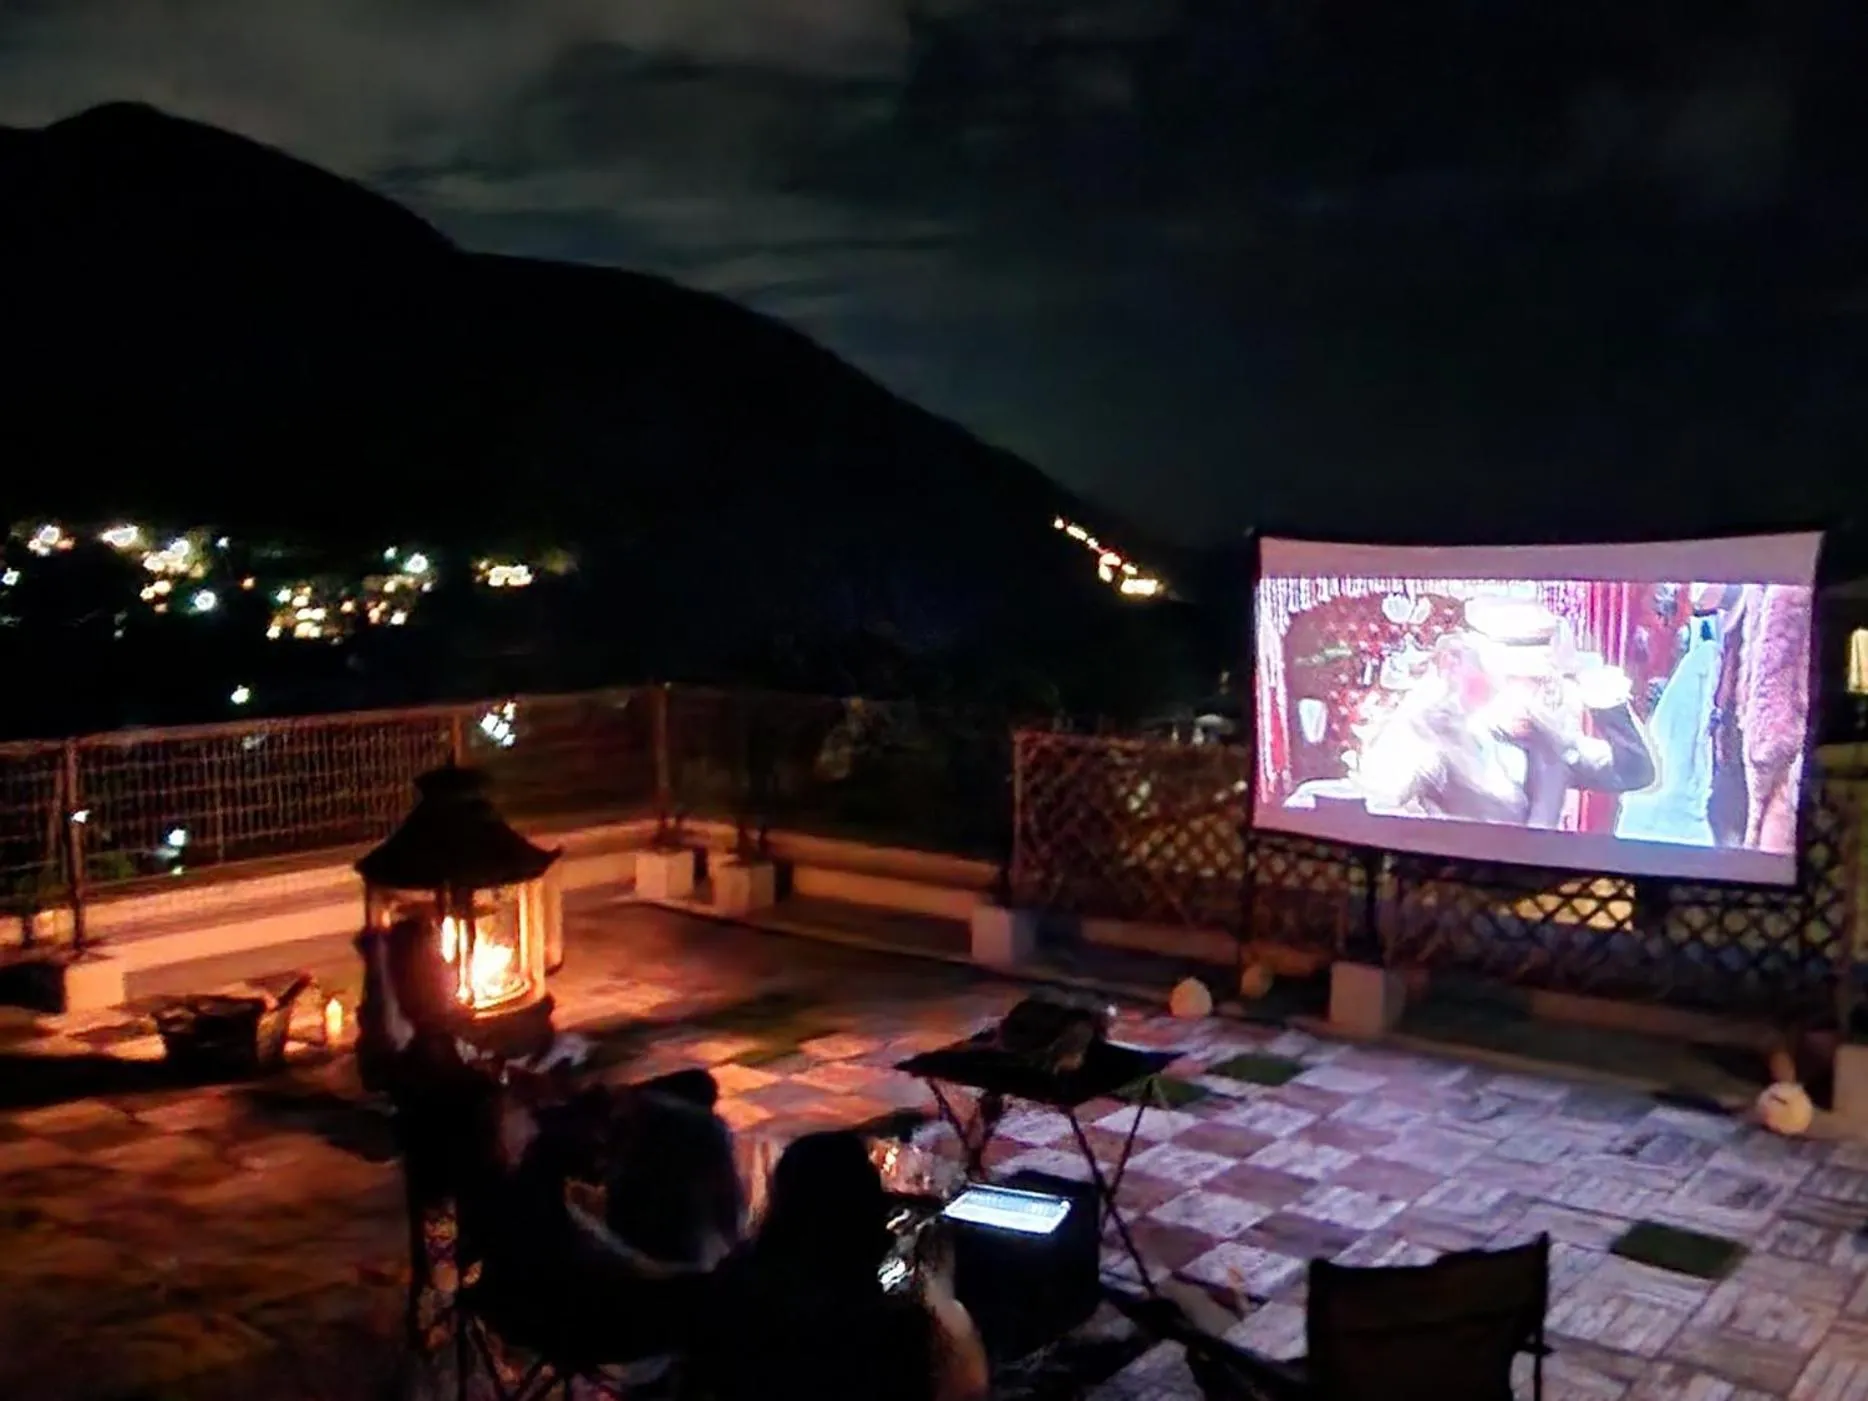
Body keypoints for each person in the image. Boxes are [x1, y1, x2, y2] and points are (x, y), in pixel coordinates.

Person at [699, 1131, 990, 1401]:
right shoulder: (888, 1328)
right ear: (866, 1216)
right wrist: (944, 1302)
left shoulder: (731, 1282)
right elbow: (970, 1390)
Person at [1351, 598, 1656, 828]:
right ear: (1468, 672)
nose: (1525, 696)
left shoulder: (1550, 739)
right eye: (1509, 680)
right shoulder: (1430, 734)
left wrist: (1606, 702)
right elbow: (1377, 801)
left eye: (1537, 681)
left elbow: (1634, 772)